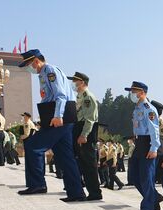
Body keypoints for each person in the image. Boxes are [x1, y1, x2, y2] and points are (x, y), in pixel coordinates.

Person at [17, 49, 85, 201]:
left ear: (36, 61)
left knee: (33, 146)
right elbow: (48, 97)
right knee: (65, 156)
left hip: (60, 117)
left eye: (28, 64)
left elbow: (60, 95)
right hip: (60, 117)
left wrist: (57, 116)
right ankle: (77, 193)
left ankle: (38, 184)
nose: (28, 68)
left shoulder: (50, 71)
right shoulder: (43, 74)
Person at [125, 81, 160, 210]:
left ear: (142, 93)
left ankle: (148, 207)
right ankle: (154, 197)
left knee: (146, 176)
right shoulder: (137, 108)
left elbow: (154, 129)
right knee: (134, 175)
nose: (132, 94)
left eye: (134, 91)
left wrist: (154, 148)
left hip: (147, 143)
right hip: (139, 143)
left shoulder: (148, 108)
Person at [68, 72, 102, 200]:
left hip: (85, 131)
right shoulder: (80, 96)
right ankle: (88, 191)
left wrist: (84, 135)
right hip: (78, 128)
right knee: (81, 163)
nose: (74, 84)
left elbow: (90, 119)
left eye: (75, 81)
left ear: (82, 82)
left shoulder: (88, 97)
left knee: (89, 164)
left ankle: (95, 193)